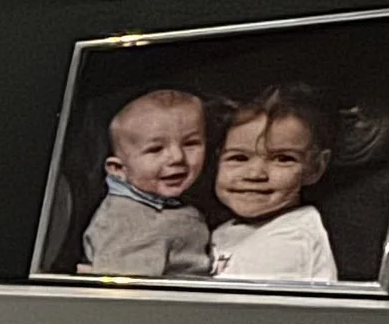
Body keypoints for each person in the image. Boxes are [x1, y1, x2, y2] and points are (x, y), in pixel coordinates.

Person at [207, 86, 340, 282]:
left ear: (315, 167)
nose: (255, 174)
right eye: (239, 158)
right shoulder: (236, 229)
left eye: (283, 159)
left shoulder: (290, 239)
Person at [79, 87, 211, 277]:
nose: (177, 157)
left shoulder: (167, 206)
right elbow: (126, 295)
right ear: (119, 169)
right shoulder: (127, 221)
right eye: (155, 149)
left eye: (190, 143)